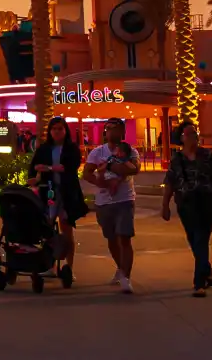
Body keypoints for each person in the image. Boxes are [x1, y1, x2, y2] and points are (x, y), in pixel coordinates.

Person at [162, 122, 212, 297]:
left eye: (195, 134)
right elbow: (170, 184)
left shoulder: (207, 157)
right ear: (181, 138)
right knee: (194, 240)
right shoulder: (177, 160)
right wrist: (165, 205)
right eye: (189, 134)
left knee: (201, 239)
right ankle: (207, 270)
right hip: (185, 205)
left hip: (206, 203)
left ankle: (199, 283)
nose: (193, 137)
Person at [83, 118, 139, 294]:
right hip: (104, 202)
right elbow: (87, 173)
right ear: (105, 132)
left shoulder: (130, 151)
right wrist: (103, 184)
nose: (112, 132)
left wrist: (110, 166)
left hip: (124, 200)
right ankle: (120, 268)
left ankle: (126, 277)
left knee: (125, 237)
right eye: (109, 129)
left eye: (117, 129)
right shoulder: (97, 152)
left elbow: (134, 169)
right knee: (112, 239)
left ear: (123, 132)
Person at [29, 116, 89, 279]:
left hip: (67, 194)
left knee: (66, 230)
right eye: (54, 129)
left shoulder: (71, 148)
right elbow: (34, 166)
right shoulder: (44, 148)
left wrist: (47, 168)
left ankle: (69, 268)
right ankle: (50, 265)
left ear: (65, 130)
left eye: (60, 129)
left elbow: (69, 168)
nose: (57, 132)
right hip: (48, 192)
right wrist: (34, 178)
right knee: (48, 229)